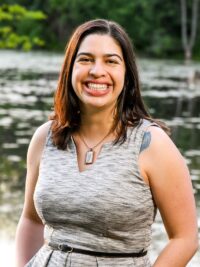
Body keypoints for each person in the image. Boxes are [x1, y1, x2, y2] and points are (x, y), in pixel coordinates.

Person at [15, 19, 198, 267]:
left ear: (127, 74)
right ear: (70, 69)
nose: (96, 71)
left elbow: (185, 238)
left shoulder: (152, 144)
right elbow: (31, 220)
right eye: (86, 59)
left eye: (111, 61)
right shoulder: (44, 138)